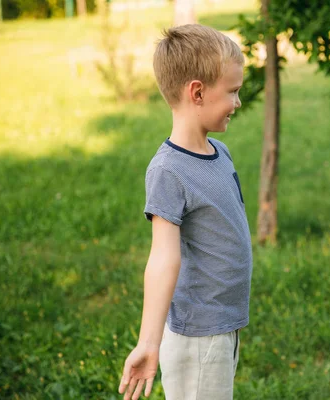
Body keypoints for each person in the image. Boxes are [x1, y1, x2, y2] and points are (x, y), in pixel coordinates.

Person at [117, 24, 252, 400]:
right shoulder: (168, 171)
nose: (238, 103)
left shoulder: (219, 152)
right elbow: (163, 258)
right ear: (197, 92)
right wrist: (149, 342)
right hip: (198, 335)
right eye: (233, 92)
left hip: (223, 325)